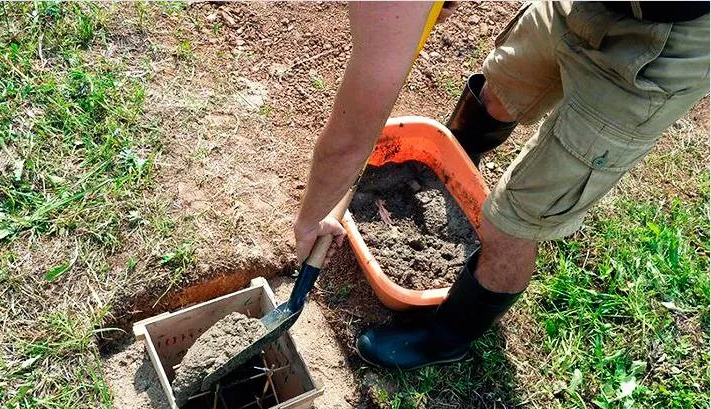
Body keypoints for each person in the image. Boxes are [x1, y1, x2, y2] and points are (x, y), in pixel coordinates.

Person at [294, 1, 710, 371]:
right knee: (498, 92)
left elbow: (350, 140)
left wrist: (313, 215)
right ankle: (446, 176)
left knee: (512, 223)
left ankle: (447, 340)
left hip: (667, 39)